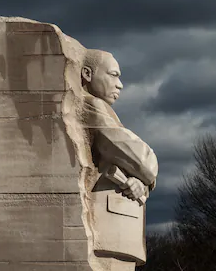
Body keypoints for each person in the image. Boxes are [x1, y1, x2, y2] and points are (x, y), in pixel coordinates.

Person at [81, 49, 158, 270]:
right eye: (113, 75)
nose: (120, 84)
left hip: (117, 228)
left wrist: (141, 184)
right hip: (108, 228)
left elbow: (137, 169)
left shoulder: (104, 112)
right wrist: (146, 173)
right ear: (87, 74)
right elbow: (144, 162)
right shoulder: (92, 106)